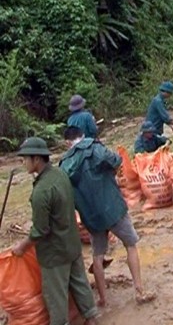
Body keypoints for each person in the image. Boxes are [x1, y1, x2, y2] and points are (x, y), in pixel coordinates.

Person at [12, 137, 98, 325]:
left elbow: (40, 230)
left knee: (55, 291)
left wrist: (21, 247)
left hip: (54, 251)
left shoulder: (41, 191)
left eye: (25, 159)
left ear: (36, 160)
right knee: (79, 281)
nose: (23, 163)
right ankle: (91, 317)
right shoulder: (60, 174)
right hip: (71, 242)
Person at [59, 126, 156, 306]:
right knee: (130, 244)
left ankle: (103, 299)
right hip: (113, 208)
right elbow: (116, 160)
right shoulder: (95, 148)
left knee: (97, 255)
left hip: (91, 217)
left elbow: (64, 194)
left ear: (67, 143)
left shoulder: (63, 165)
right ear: (83, 136)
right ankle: (139, 290)